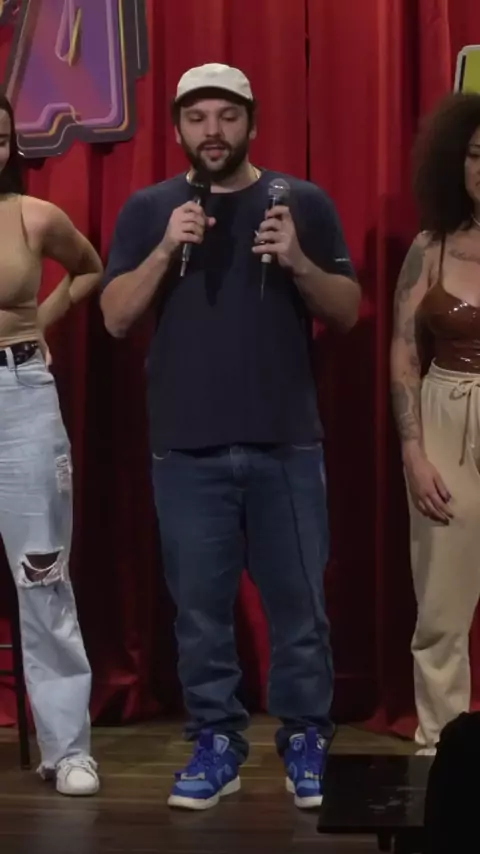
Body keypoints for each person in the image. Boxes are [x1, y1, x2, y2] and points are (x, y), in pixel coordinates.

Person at [101, 63, 359, 810]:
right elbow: (115, 317)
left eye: (227, 116)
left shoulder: (299, 201)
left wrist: (298, 262)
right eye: (197, 118)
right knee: (201, 615)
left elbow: (346, 309)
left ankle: (305, 739)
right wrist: (163, 249)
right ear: (179, 128)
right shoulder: (151, 208)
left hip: (286, 444)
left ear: (252, 122)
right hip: (187, 450)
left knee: (300, 610)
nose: (212, 131)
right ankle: (216, 742)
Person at [0, 93, 102, 795]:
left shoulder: (33, 216)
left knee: (43, 574)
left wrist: (42, 320)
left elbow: (89, 267)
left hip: (19, 396)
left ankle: (68, 749)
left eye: (0, 136)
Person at [391, 91, 480, 755]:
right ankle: (441, 749)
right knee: (442, 603)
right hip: (446, 415)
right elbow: (403, 352)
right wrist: (413, 454)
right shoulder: (430, 248)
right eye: (476, 155)